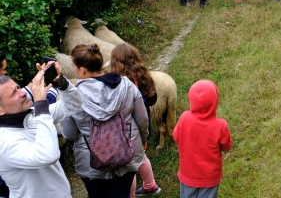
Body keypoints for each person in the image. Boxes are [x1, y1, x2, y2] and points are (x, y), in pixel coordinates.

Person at [62, 44, 148, 198]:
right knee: (122, 193)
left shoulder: (72, 97)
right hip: (127, 154)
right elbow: (142, 119)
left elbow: (70, 134)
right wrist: (143, 138)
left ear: (82, 70)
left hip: (91, 162)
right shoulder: (127, 85)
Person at [0, 61, 82, 198]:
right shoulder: (4, 141)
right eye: (14, 93)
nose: (23, 93)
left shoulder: (30, 116)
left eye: (18, 87)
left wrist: (60, 83)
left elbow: (73, 104)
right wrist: (40, 103)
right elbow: (47, 155)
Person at [108, 44, 161, 196]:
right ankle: (150, 185)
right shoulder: (143, 76)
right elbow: (152, 99)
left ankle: (130, 194)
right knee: (141, 157)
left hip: (126, 131)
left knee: (129, 166)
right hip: (144, 125)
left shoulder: (115, 83)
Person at [174, 80, 233, 198]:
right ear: (215, 100)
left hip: (188, 174)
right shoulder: (220, 125)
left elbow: (176, 137)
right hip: (210, 177)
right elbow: (226, 146)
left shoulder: (184, 118)